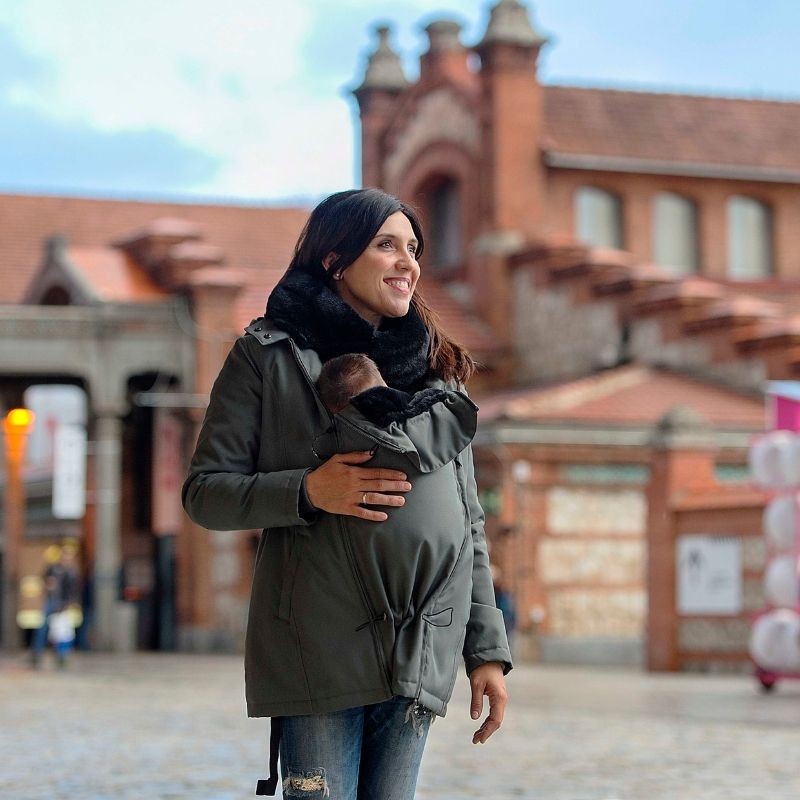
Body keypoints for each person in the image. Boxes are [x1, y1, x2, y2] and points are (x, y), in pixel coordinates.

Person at [182, 188, 512, 799]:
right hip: (318, 647)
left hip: (420, 648)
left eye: (413, 248)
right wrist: (308, 490)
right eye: (387, 245)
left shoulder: (437, 370)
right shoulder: (267, 355)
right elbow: (206, 493)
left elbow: (468, 527)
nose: (408, 263)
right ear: (335, 261)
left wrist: (485, 650)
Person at [30, 543, 80, 668]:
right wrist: (48, 584)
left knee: (61, 631)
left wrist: (67, 604)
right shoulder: (53, 568)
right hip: (51, 601)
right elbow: (44, 579)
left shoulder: (72, 572)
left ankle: (61, 655)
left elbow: (73, 591)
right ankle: (37, 653)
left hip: (62, 603)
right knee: (43, 628)